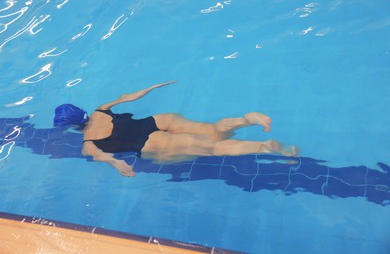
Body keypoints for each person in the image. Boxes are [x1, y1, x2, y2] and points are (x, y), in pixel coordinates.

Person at [53, 81, 298, 177]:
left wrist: (117, 164)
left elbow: (102, 156)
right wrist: (153, 86)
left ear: (71, 126)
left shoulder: (88, 144)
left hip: (152, 145)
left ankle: (264, 146)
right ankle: (246, 120)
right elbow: (130, 96)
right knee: (214, 131)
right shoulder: (101, 109)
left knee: (213, 148)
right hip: (158, 121)